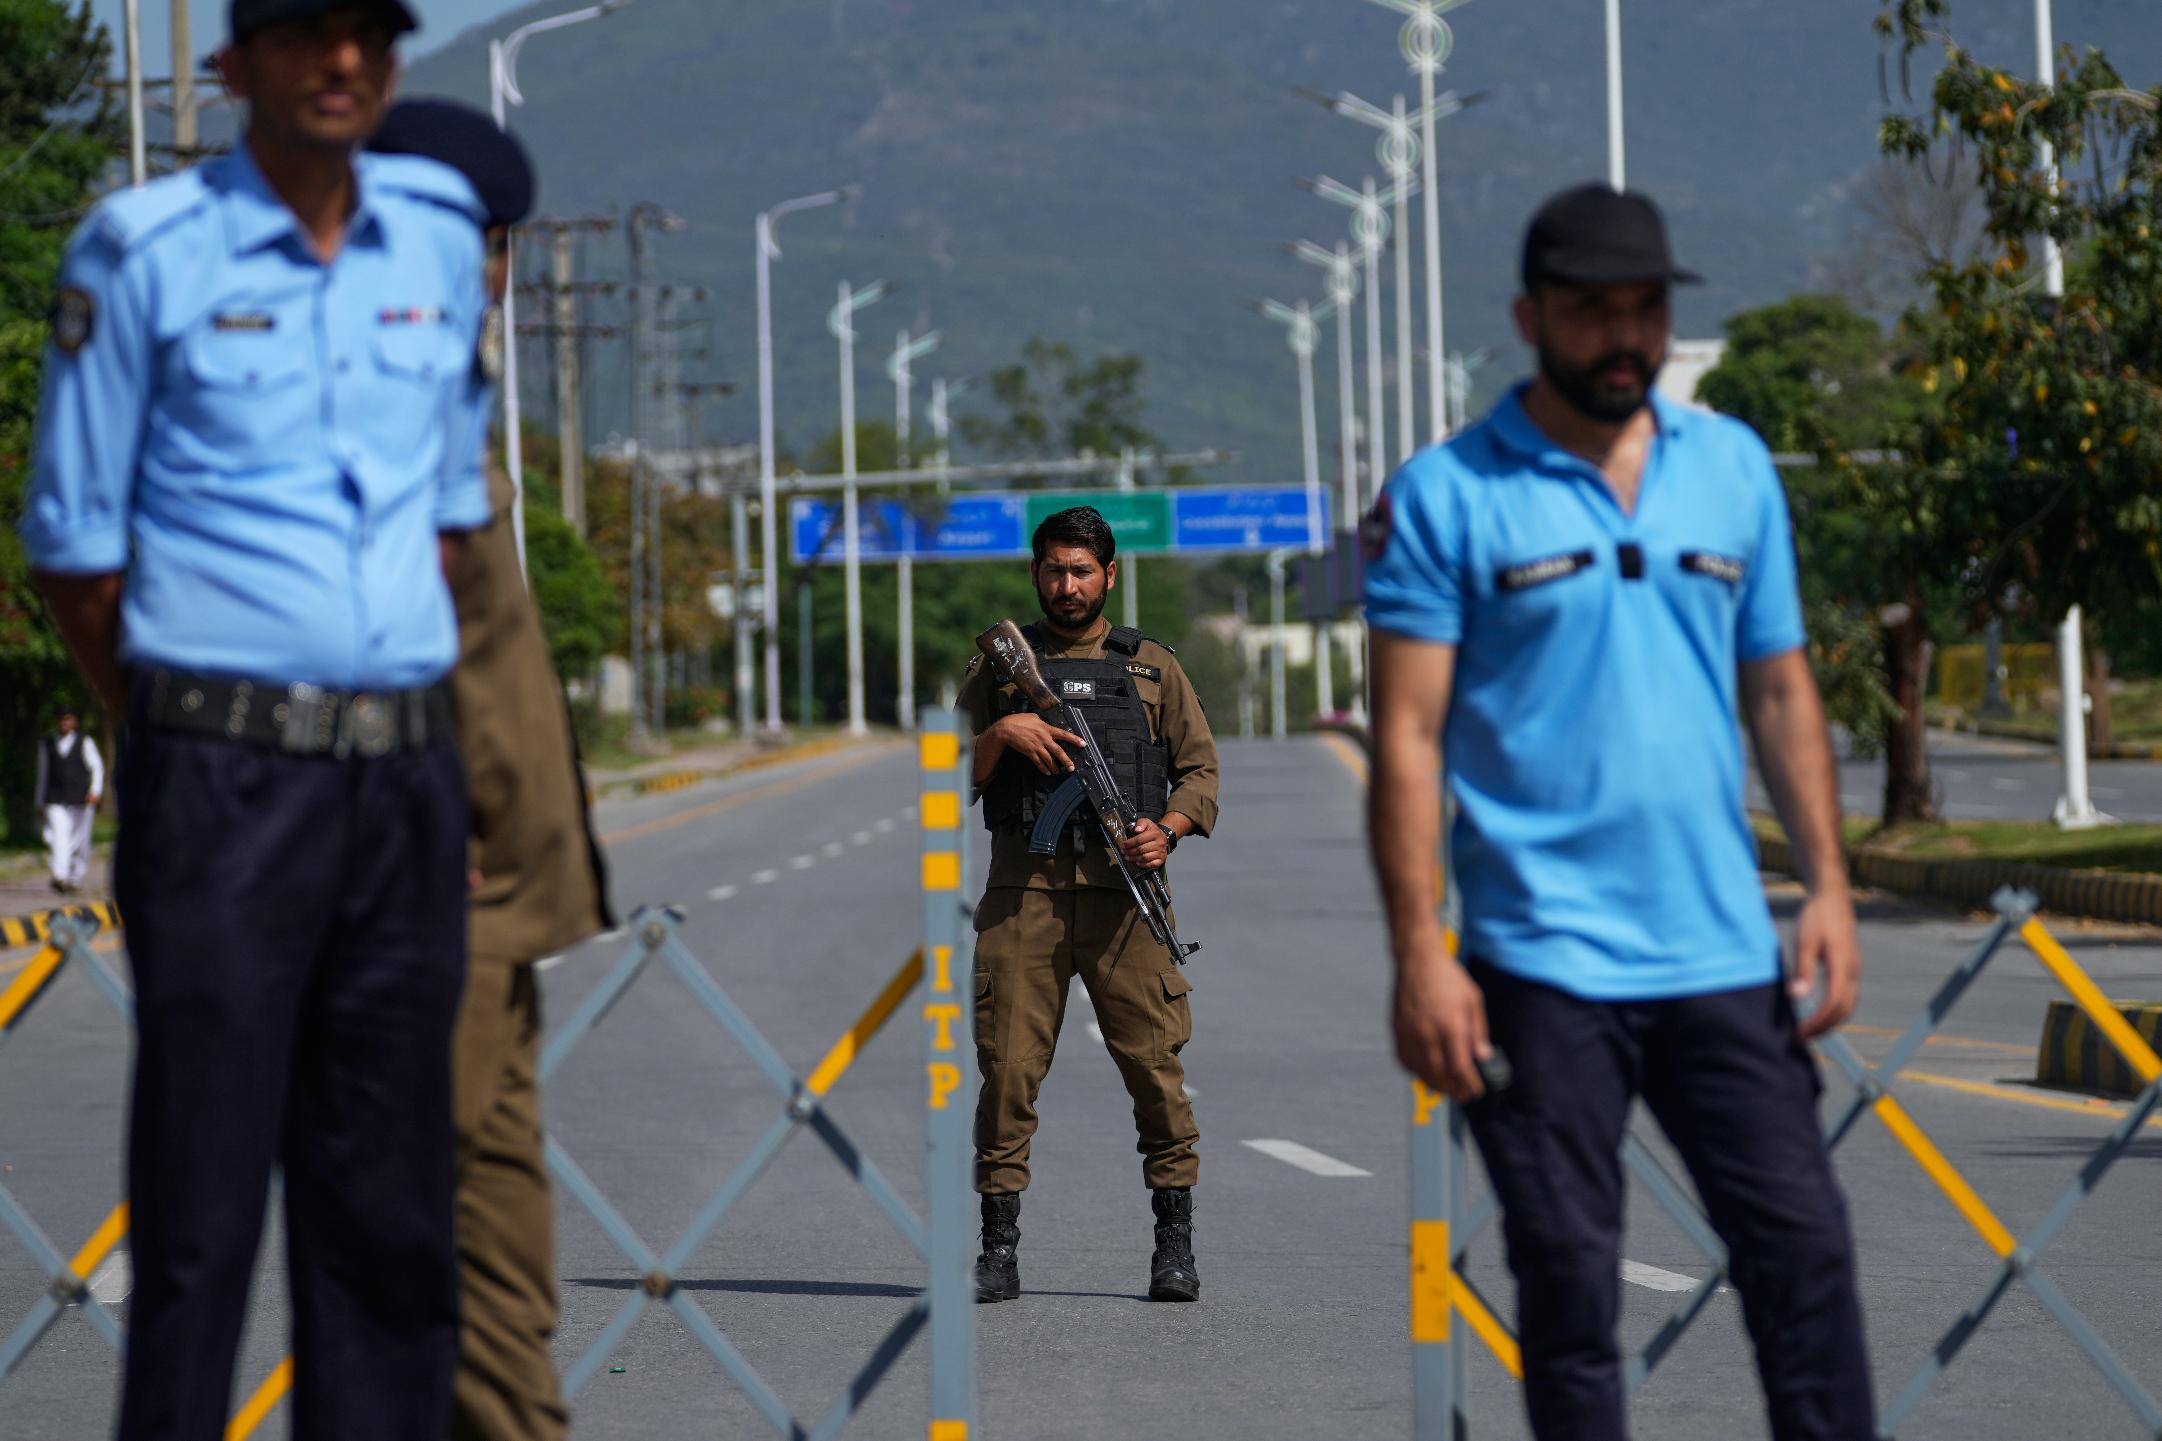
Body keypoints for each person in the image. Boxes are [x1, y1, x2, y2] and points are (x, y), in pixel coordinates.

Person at [21, 1, 496, 1435]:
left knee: (395, 1223)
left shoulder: (436, 233)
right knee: (200, 1216)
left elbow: (453, 521)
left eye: (369, 34)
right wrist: (189, 722)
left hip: (402, 783)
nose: (341, 62)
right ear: (234, 68)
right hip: (222, 781)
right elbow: (76, 555)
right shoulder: (142, 250)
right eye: (304, 33)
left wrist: (396, 724)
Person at [1363, 183, 1874, 1441]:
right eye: (1591, 312)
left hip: (1718, 957)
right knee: (1570, 1294)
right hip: (1538, 969)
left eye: (1642, 309)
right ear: (1530, 318)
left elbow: (1778, 687)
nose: (1622, 337)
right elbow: (1407, 741)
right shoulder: (1448, 495)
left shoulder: (1732, 468)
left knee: (1803, 1267)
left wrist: (1828, 886)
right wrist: (1420, 956)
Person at [366, 98, 613, 1441]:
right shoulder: (360, 392)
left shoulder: (447, 390)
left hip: (503, 910)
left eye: (501, 244)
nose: (495, 272)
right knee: (431, 1249)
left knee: (506, 1265)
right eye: (476, 240)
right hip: (427, 898)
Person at [957, 505, 1219, 1304]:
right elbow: (940, 776)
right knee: (1007, 1070)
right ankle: (997, 1248)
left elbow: (1201, 774)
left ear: (1110, 575)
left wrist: (1164, 831)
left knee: (1155, 1071)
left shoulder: (1152, 669)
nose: (1067, 586)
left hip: (1124, 906)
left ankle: (1173, 1246)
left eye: (1081, 571)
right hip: (1023, 900)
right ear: (1035, 574)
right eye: (1053, 570)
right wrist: (1004, 732)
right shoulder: (1002, 669)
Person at [33, 707, 104, 894]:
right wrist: (39, 801)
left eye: (68, 719)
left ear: (74, 722)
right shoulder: (46, 743)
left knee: (80, 840)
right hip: (54, 799)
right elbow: (43, 773)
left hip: (80, 799)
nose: (64, 723)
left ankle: (75, 876)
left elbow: (96, 767)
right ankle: (60, 876)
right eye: (61, 719)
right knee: (59, 837)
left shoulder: (85, 742)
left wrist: (95, 790)